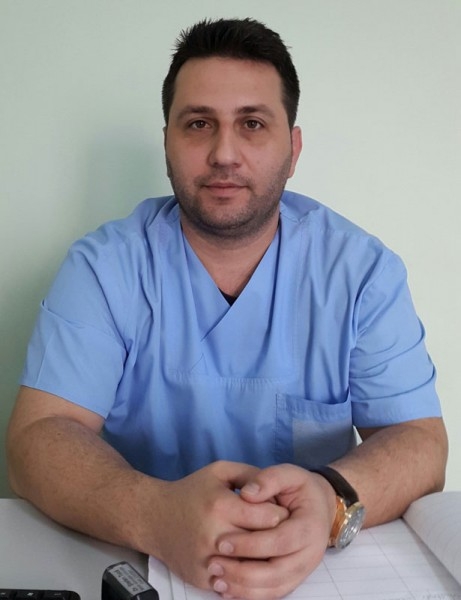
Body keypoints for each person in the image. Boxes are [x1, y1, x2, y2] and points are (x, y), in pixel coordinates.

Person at [7, 17, 447, 600]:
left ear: (293, 149)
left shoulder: (361, 273)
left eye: (252, 124)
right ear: (167, 142)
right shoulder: (104, 269)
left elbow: (420, 439)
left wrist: (331, 499)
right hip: (134, 561)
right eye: (198, 124)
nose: (224, 154)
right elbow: (37, 437)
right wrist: (154, 513)